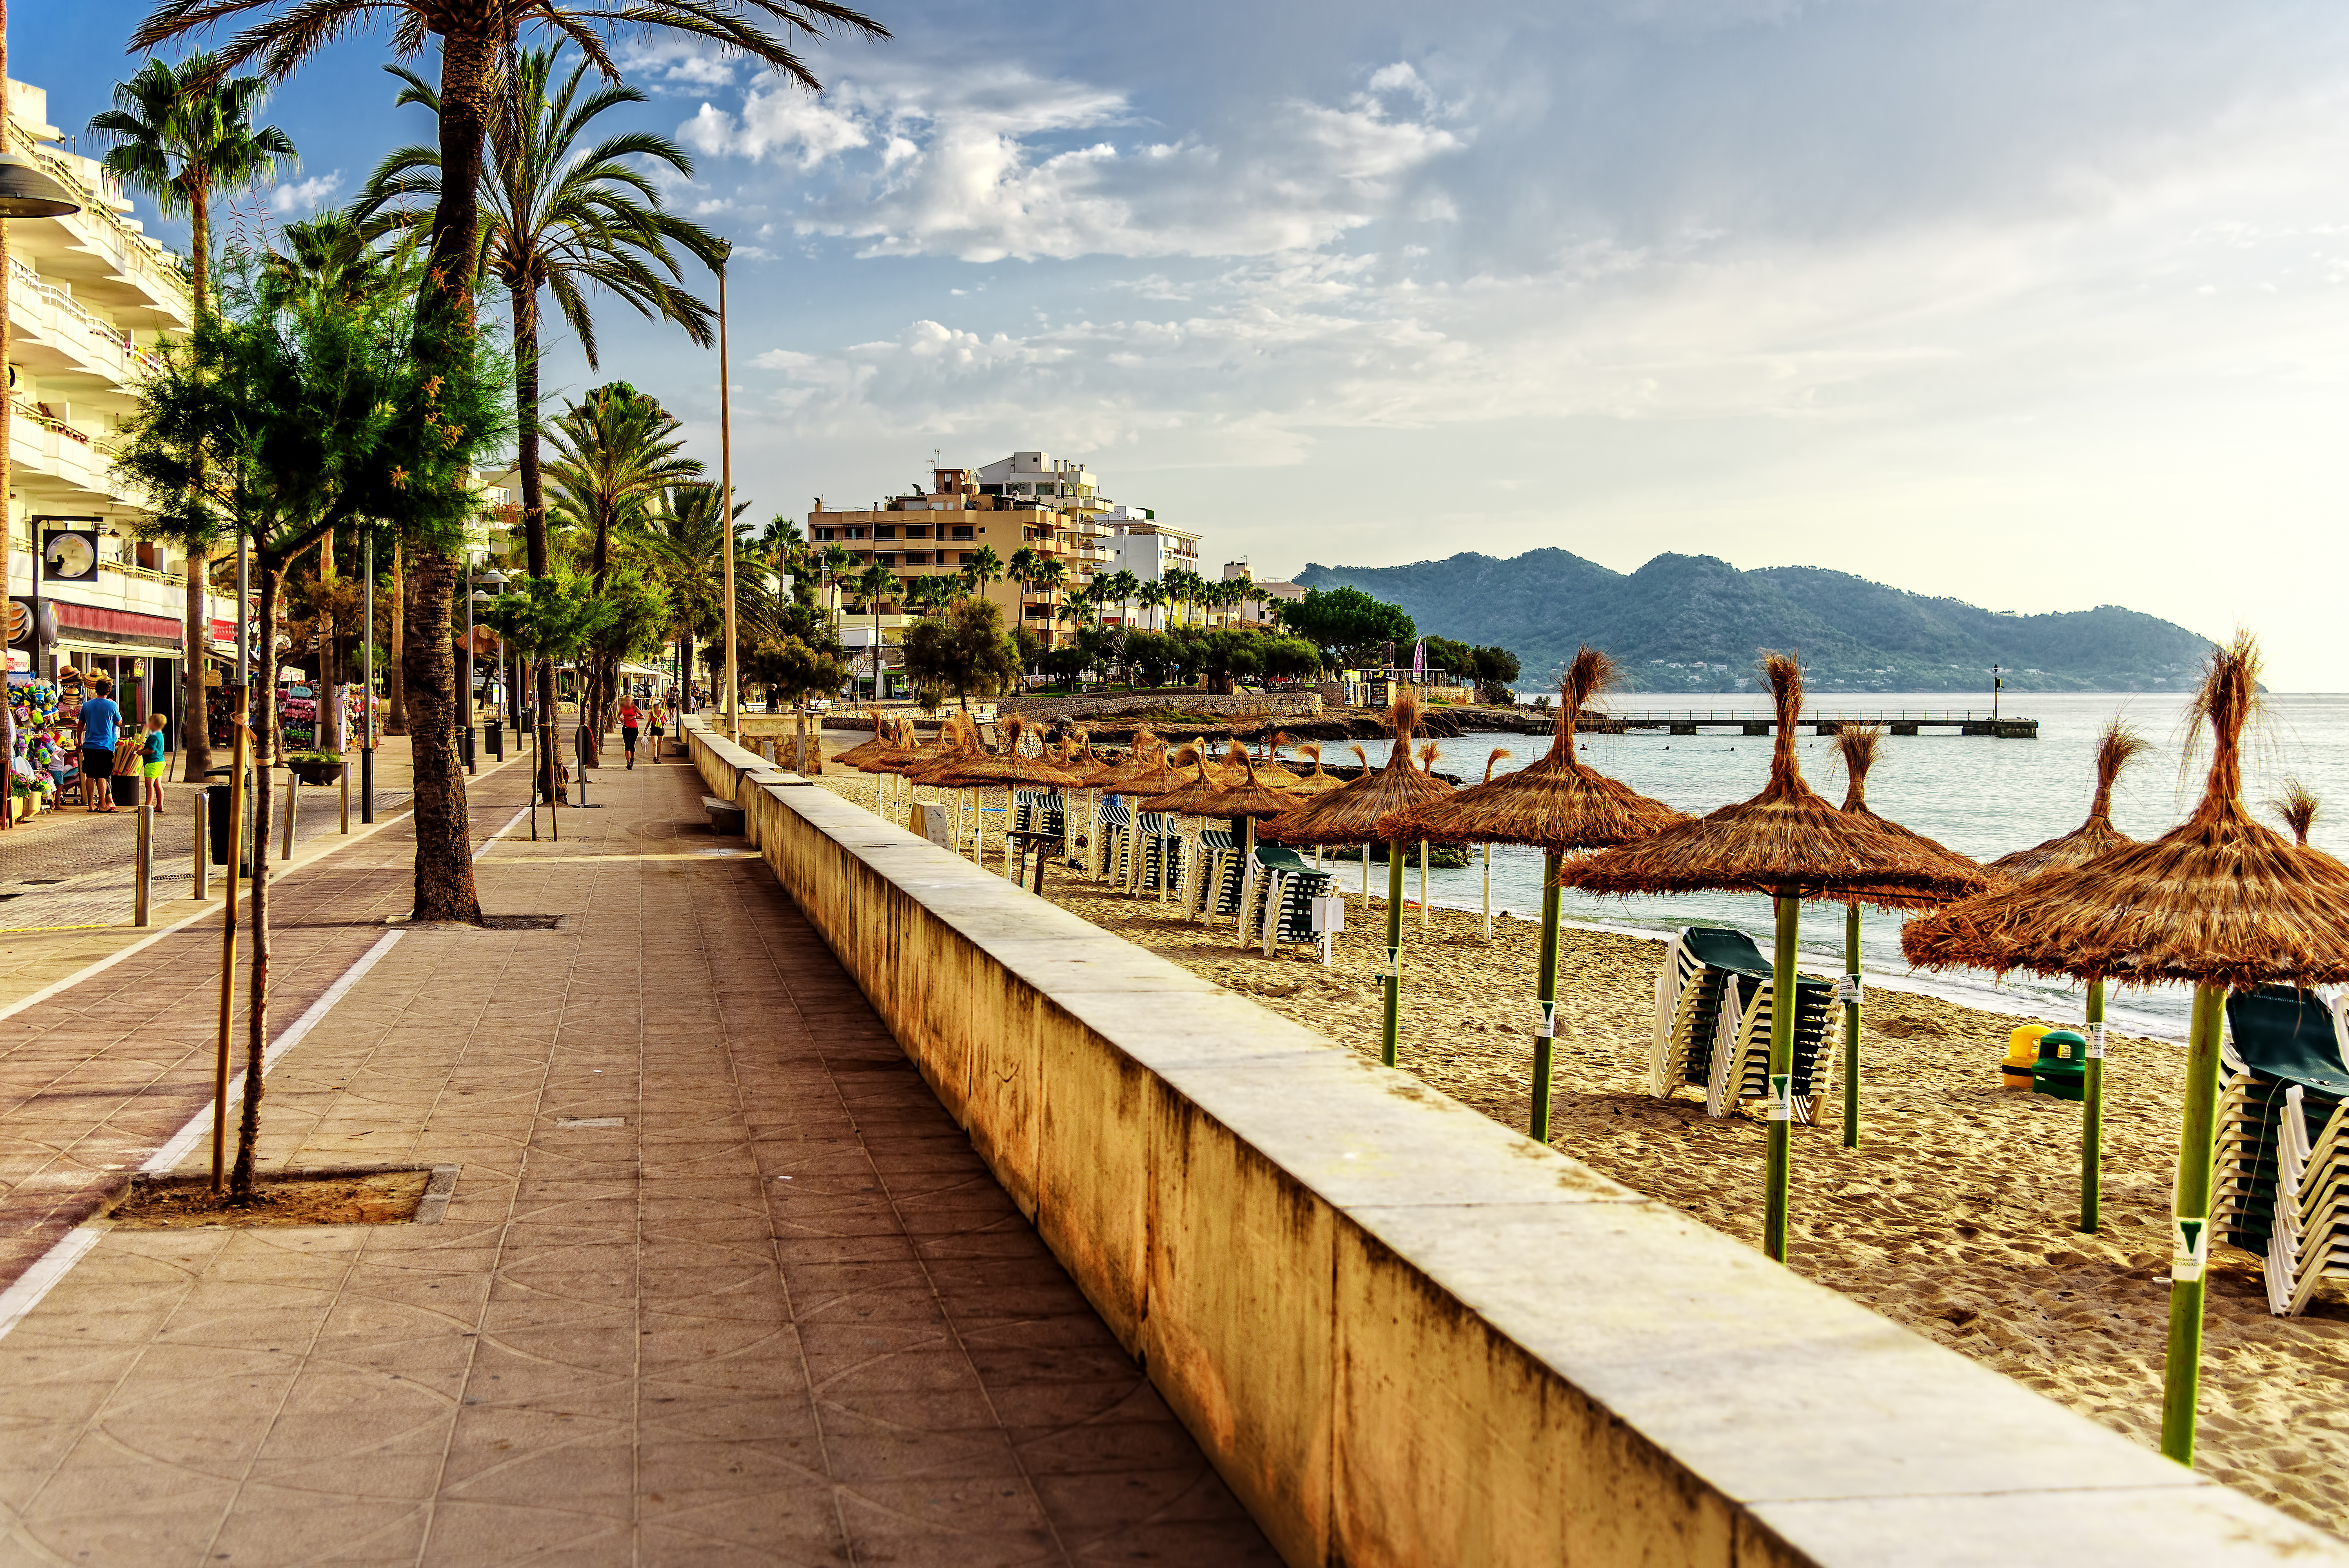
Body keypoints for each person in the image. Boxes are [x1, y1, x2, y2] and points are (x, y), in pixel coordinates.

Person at [77, 679, 122, 813]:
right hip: (105, 746)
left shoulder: (87, 705)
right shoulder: (112, 706)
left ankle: (90, 805)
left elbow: (80, 726)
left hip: (89, 745)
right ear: (109, 691)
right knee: (102, 776)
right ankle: (103, 804)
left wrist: (80, 741)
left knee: (90, 775)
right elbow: (119, 722)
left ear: (96, 690)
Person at [140, 713, 169, 809]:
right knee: (158, 785)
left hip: (153, 763)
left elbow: (151, 750)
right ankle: (160, 805)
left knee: (149, 785)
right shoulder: (160, 734)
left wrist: (142, 752)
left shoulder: (153, 736)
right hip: (161, 762)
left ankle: (148, 806)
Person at [619, 695, 643, 770]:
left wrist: (634, 717)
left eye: (629, 700)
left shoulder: (635, 708)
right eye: (626, 701)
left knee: (632, 746)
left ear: (631, 701)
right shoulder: (623, 708)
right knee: (627, 746)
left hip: (634, 729)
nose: (628, 702)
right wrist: (621, 719)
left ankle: (632, 759)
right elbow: (618, 715)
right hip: (626, 729)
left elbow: (643, 717)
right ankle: (628, 763)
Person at [646, 697, 666, 766]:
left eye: (659, 705)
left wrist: (666, 722)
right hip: (654, 729)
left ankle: (658, 757)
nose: (659, 706)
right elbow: (649, 722)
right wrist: (645, 730)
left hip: (661, 729)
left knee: (659, 745)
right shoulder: (652, 713)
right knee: (655, 744)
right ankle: (655, 757)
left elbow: (668, 720)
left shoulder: (663, 712)